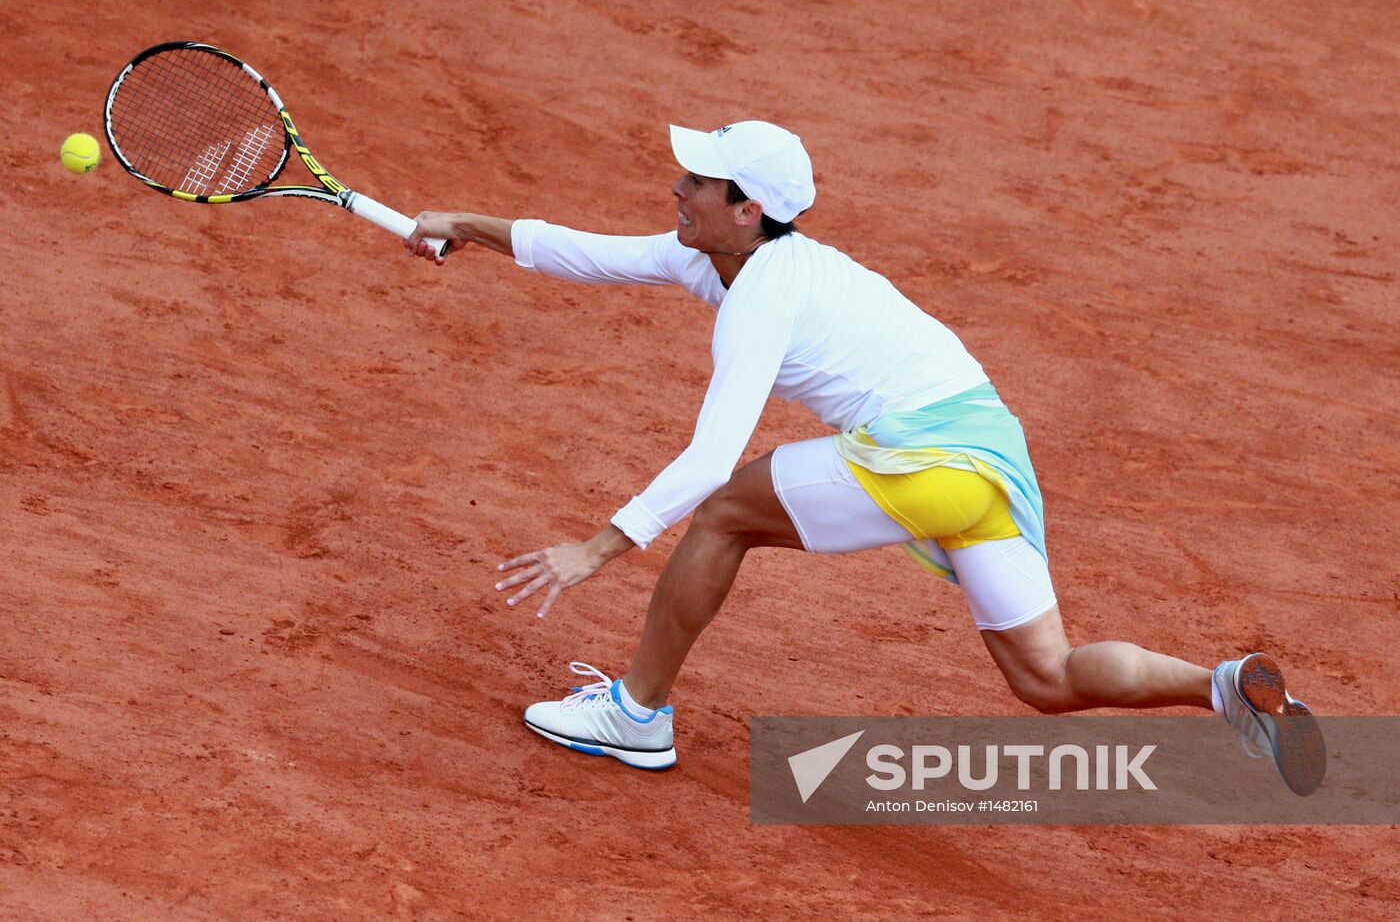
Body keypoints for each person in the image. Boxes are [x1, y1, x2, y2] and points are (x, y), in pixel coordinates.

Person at [404, 121, 1325, 794]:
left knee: (725, 508)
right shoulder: (720, 255)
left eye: (697, 181)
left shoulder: (763, 291)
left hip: (927, 457)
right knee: (1045, 674)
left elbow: (712, 452)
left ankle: (637, 713)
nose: (676, 189)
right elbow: (585, 253)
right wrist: (465, 223)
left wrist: (601, 545)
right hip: (988, 454)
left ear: (747, 206)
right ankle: (1220, 685)